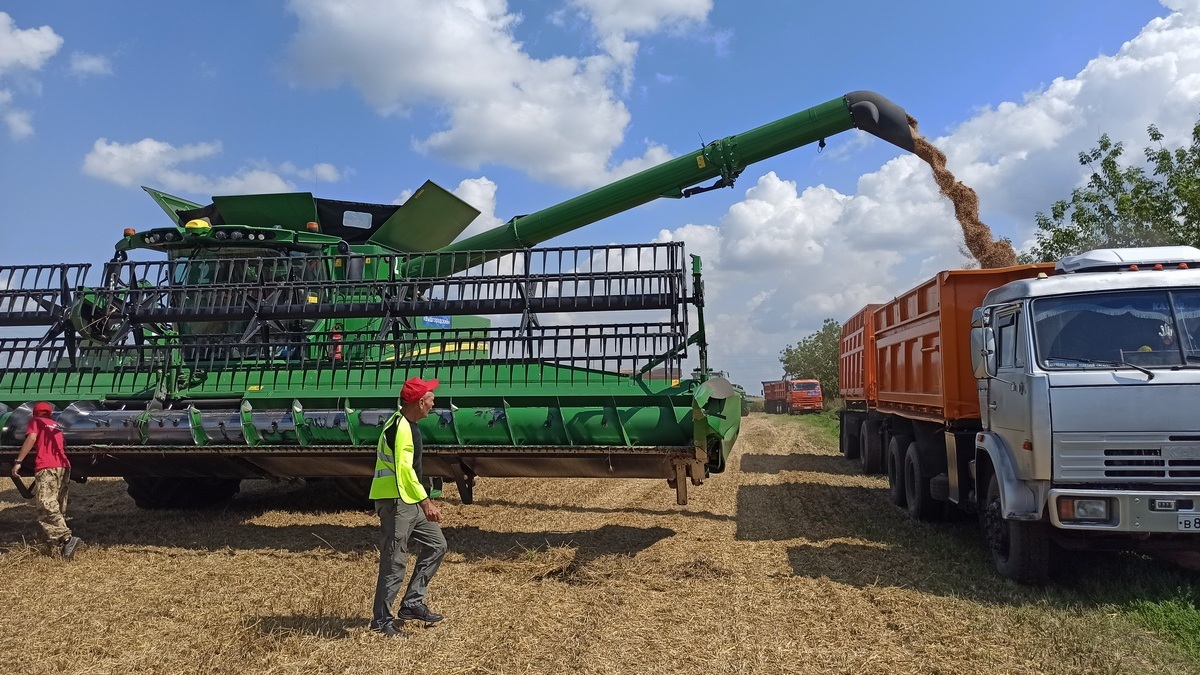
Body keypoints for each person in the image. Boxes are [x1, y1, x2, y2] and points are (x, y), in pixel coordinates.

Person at [369, 377, 448, 638]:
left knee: (437, 544)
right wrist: (426, 502)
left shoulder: (405, 423)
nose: (434, 401)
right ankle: (381, 620)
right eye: (430, 397)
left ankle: (412, 603)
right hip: (396, 501)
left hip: (407, 499)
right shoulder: (402, 428)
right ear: (419, 402)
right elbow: (404, 471)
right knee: (394, 561)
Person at [10, 402, 82, 560]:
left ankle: (66, 539)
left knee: (45, 504)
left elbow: (32, 438)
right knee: (58, 504)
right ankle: (55, 547)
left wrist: (18, 461)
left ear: (34, 413)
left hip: (47, 467)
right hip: (63, 467)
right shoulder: (56, 425)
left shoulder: (35, 422)